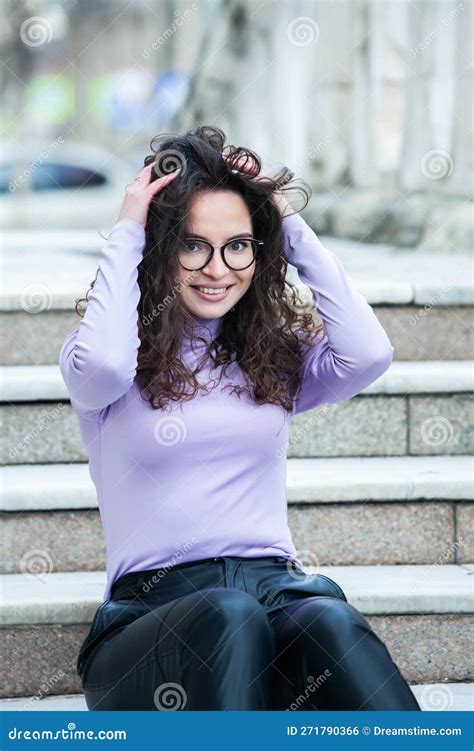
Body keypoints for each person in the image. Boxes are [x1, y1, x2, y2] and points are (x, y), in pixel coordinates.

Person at [59, 125, 421, 711]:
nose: (218, 267)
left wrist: (286, 224)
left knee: (328, 619)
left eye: (239, 245)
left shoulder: (271, 355)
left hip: (277, 594)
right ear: (161, 248)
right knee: (231, 614)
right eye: (193, 244)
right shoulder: (109, 359)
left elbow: (369, 353)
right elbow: (101, 363)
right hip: (152, 623)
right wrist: (129, 226)